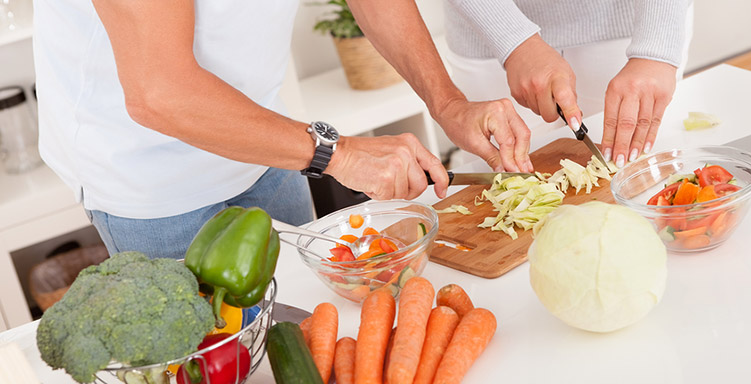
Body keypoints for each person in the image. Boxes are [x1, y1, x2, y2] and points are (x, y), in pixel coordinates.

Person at [31, 0, 531, 260]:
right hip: (149, 176)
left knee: (300, 338)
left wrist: (447, 103)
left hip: (268, 139)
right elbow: (161, 93)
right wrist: (341, 156)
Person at [444, 0, 693, 167]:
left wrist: (657, 46)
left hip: (637, 23)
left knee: (643, 176)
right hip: (486, 24)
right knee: (504, 182)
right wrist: (512, 41)